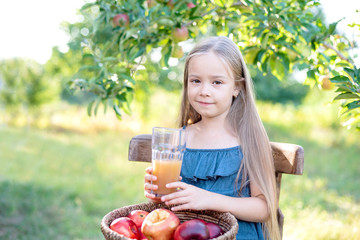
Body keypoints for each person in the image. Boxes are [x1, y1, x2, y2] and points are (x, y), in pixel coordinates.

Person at [144, 36, 280, 240]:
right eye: (196, 81)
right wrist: (158, 195)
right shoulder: (180, 138)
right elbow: (171, 203)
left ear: (237, 87)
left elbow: (264, 207)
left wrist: (207, 199)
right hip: (186, 234)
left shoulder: (248, 139)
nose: (204, 91)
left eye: (217, 82)